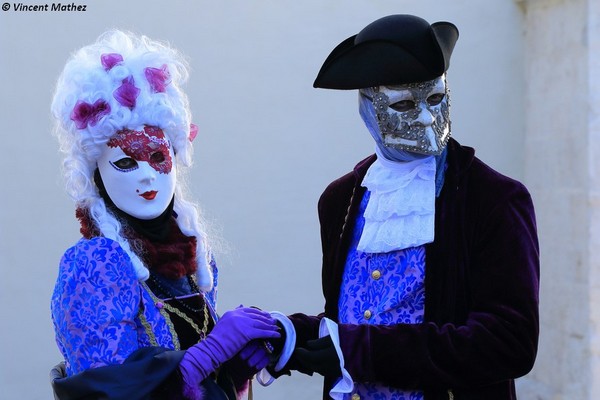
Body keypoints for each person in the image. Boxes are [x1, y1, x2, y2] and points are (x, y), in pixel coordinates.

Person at [262, 14, 540, 400]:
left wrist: (359, 351)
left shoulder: (493, 199)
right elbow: (356, 318)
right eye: (405, 104)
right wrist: (290, 332)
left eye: (436, 97)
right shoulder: (340, 200)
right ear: (368, 107)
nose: (427, 117)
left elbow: (509, 342)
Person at [49, 30, 280, 400]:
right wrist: (207, 354)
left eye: (158, 157)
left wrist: (233, 370)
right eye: (125, 162)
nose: (146, 175)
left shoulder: (192, 258)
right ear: (97, 177)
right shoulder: (96, 265)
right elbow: (106, 389)